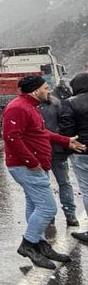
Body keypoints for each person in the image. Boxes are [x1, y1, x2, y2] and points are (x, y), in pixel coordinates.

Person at [2, 75, 86, 269]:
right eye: (46, 88)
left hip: (34, 164)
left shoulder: (29, 107)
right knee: (48, 208)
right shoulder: (18, 108)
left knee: (34, 204)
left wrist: (65, 141)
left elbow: (40, 133)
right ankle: (28, 245)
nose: (48, 91)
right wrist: (31, 162)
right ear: (35, 90)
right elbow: (11, 137)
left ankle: (40, 244)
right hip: (27, 167)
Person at [39, 94, 79, 226]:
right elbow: (65, 126)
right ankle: (70, 215)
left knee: (44, 185)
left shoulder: (31, 106)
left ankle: (49, 216)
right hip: (57, 149)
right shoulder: (57, 103)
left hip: (39, 150)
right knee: (64, 183)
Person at [60, 72, 88, 244]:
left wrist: (68, 146)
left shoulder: (71, 103)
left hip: (82, 151)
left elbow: (66, 129)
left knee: (87, 189)